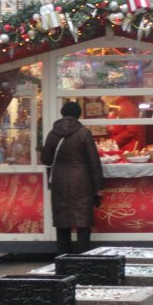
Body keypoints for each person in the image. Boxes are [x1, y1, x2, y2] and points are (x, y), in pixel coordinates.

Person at [41, 101, 104, 254]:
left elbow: (46, 160)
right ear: (78, 114)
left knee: (62, 221)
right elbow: (93, 162)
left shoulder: (52, 133)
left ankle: (64, 258)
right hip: (82, 181)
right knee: (83, 221)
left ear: (62, 113)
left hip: (59, 181)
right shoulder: (84, 133)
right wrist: (98, 188)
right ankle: (82, 258)